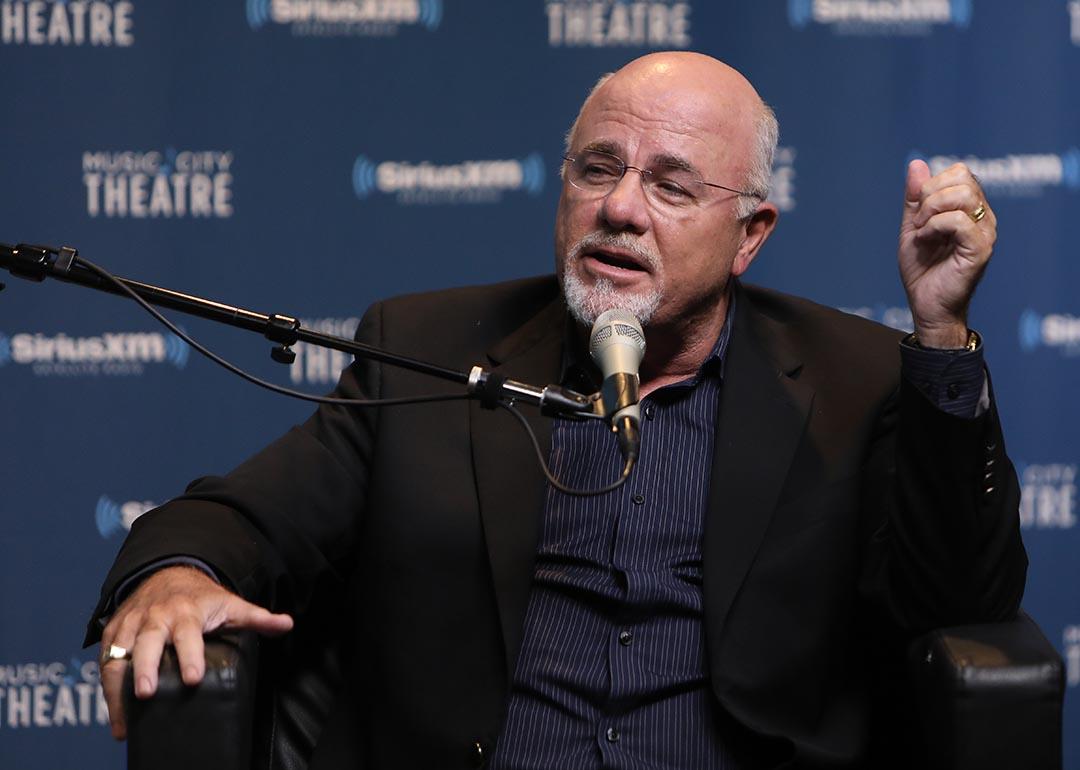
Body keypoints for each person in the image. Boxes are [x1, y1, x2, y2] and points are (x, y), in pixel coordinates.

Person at [86, 52, 1026, 769]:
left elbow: (960, 600)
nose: (621, 207)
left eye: (670, 184)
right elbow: (241, 517)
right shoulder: (433, 347)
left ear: (749, 236)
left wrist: (941, 333)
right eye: (598, 169)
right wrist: (174, 571)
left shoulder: (852, 377)